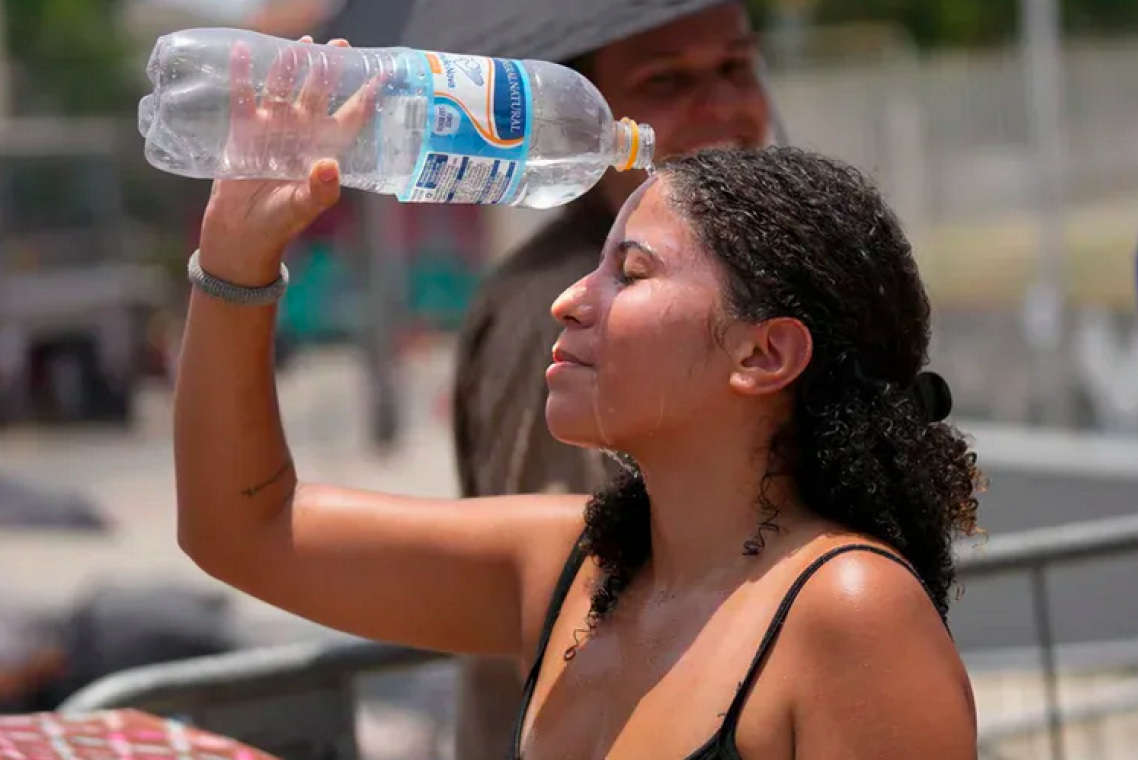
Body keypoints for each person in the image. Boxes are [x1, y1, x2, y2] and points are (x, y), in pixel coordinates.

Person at [173, 46, 981, 754]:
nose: (569, 299)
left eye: (628, 273)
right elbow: (244, 528)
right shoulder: (574, 568)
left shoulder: (851, 613)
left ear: (763, 353)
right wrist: (235, 261)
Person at [449, 4, 772, 752]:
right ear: (581, 115)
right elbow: (582, 591)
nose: (722, 108)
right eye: (667, 81)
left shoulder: (742, 274)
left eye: (735, 66)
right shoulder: (561, 311)